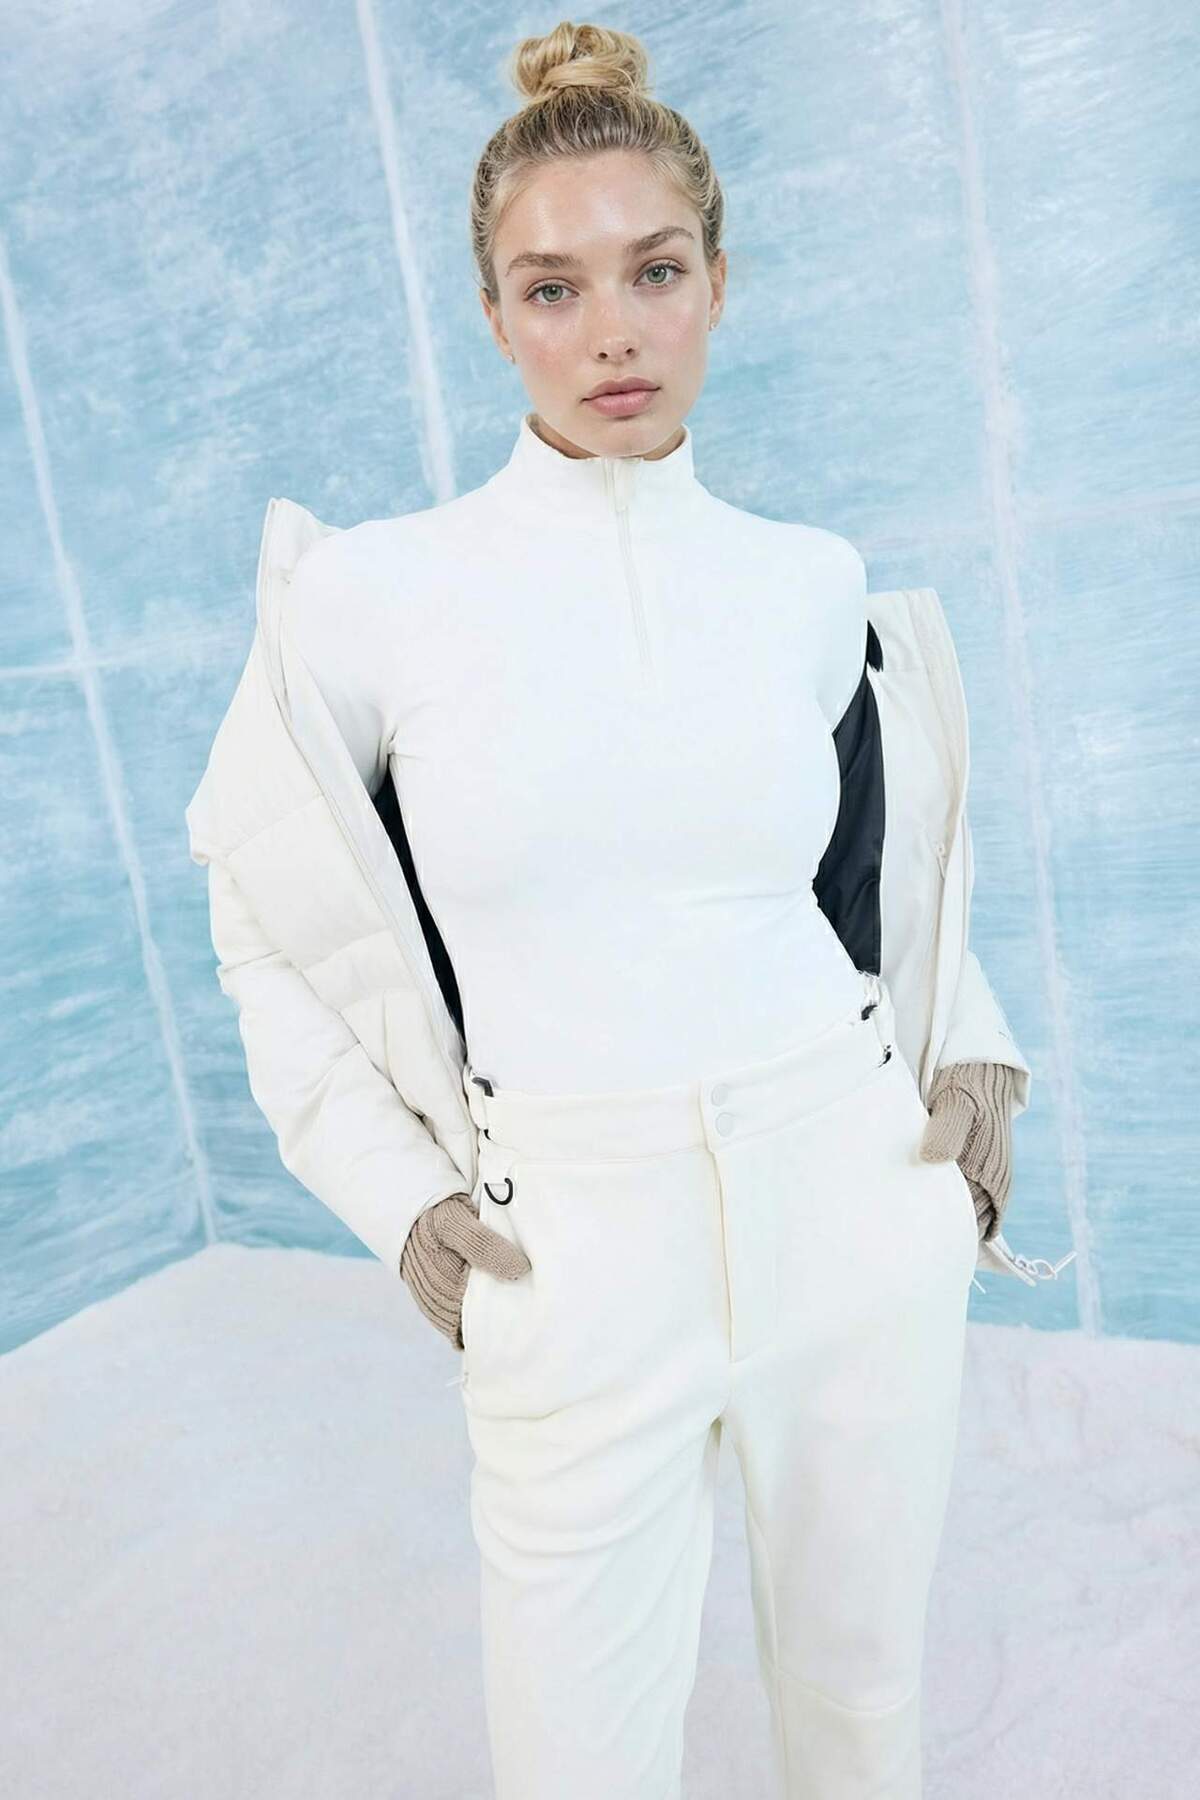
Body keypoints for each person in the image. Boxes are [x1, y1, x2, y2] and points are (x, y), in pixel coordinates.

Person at [185, 19, 1073, 1798]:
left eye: (655, 272)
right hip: (573, 1256)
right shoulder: (374, 597)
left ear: (718, 285)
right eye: (554, 287)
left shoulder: (807, 582)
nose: (613, 331)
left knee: (863, 1713)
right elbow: (264, 912)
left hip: (852, 1200)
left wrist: (972, 1057)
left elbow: (867, 887)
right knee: (577, 1759)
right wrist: (398, 1197)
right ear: (494, 314)